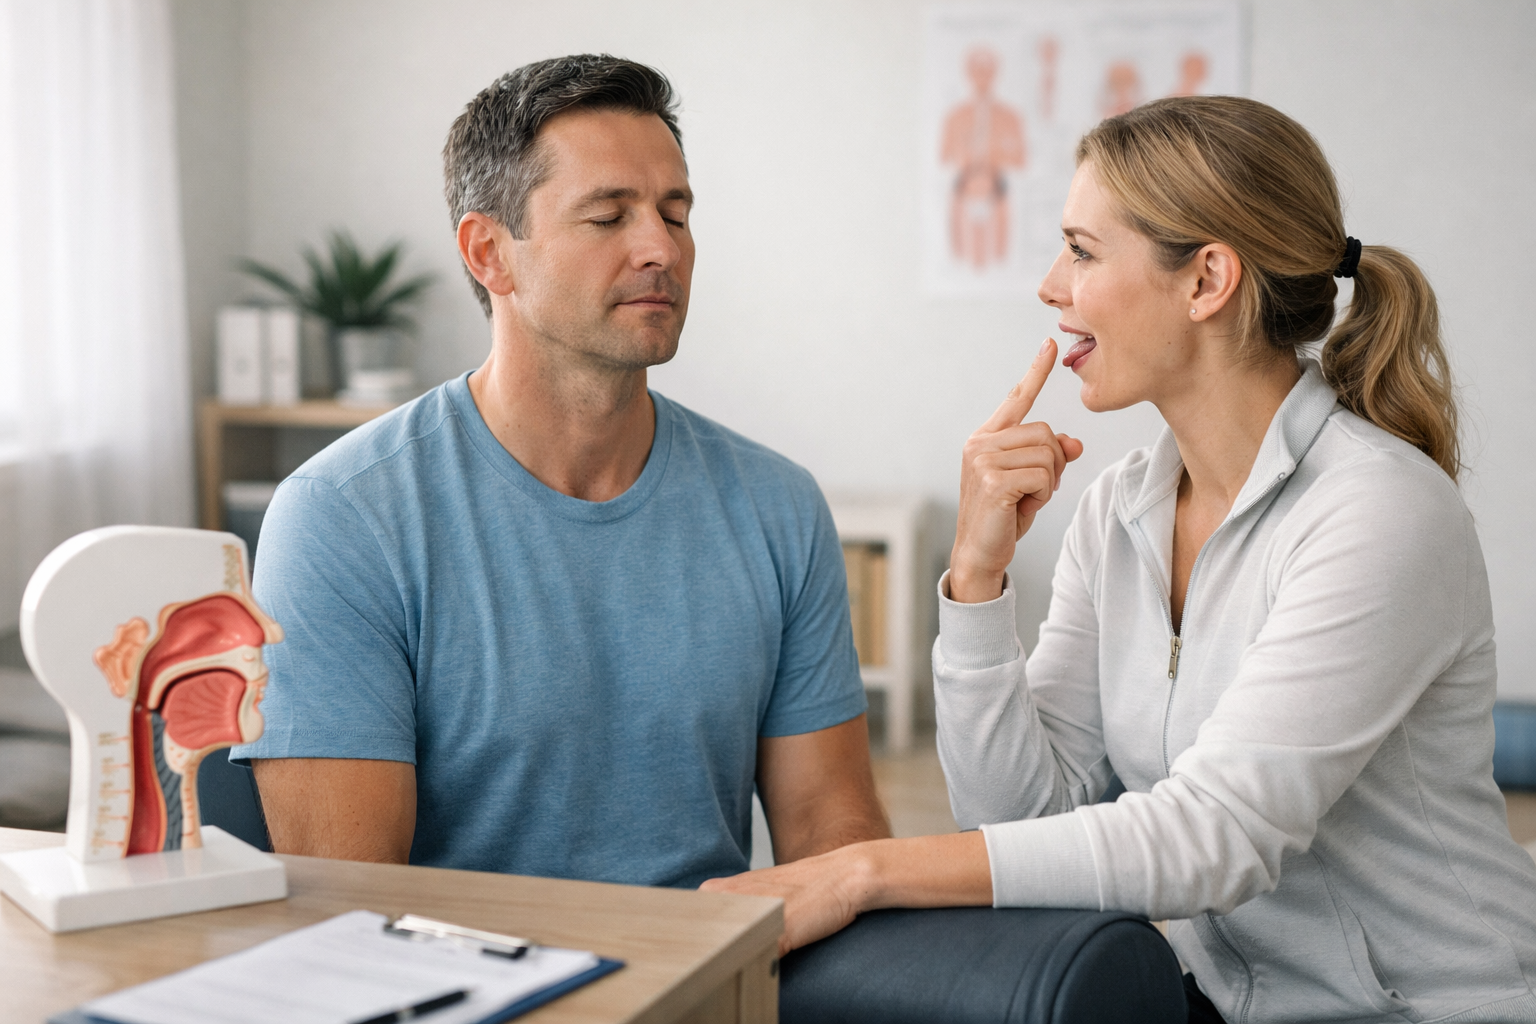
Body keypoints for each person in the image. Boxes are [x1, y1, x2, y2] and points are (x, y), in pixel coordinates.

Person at [704, 96, 1536, 1022]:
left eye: (1082, 251)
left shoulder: (1378, 510)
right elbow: (1024, 821)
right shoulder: (1121, 509)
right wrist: (976, 583)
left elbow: (1216, 836)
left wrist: (865, 871)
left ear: (1206, 280)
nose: (1050, 286)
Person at [231, 55, 889, 888]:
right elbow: (349, 896)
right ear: (490, 254)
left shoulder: (778, 506)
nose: (661, 248)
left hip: (718, 964)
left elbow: (833, 834)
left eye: (675, 213)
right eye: (608, 217)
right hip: (457, 967)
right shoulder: (341, 515)